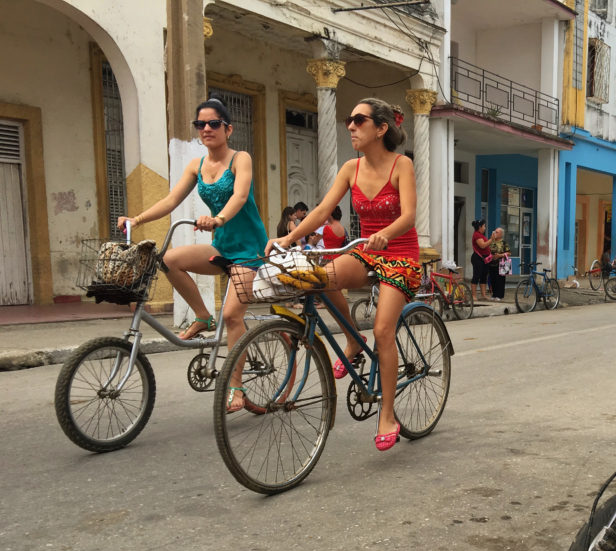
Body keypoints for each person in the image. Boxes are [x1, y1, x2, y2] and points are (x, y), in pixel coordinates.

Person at [268, 97, 418, 451]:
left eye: (358, 120)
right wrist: (289, 238)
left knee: (383, 330)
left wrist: (388, 233)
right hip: (367, 251)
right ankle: (352, 340)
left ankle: (387, 413)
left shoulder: (402, 165)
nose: (350, 125)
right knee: (319, 278)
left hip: (399, 255)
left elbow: (409, 216)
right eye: (349, 120)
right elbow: (322, 209)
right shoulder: (350, 168)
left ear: (381, 128)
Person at [118, 97, 266, 411]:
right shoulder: (196, 166)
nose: (207, 129)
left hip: (249, 248)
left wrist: (218, 218)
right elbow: (171, 201)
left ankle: (236, 388)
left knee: (232, 315)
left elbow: (240, 196)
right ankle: (202, 316)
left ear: (228, 128)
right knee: (170, 260)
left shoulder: (241, 158)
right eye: (201, 124)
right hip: (221, 246)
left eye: (214, 123)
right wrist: (137, 219)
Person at [470, 219, 495, 302]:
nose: (485, 228)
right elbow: (482, 245)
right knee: (476, 276)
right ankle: (473, 295)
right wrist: (491, 239)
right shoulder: (477, 235)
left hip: (485, 259)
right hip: (478, 259)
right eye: (484, 226)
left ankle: (483, 295)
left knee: (483, 277)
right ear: (480, 227)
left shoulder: (481, 235)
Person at [486, 227, 511, 300]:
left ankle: (500, 295)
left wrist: (500, 255)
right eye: (494, 232)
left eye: (497, 232)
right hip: (491, 263)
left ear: (501, 234)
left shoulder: (503, 242)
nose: (495, 233)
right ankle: (494, 294)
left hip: (501, 264)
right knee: (492, 279)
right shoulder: (491, 241)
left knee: (500, 280)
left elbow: (509, 253)